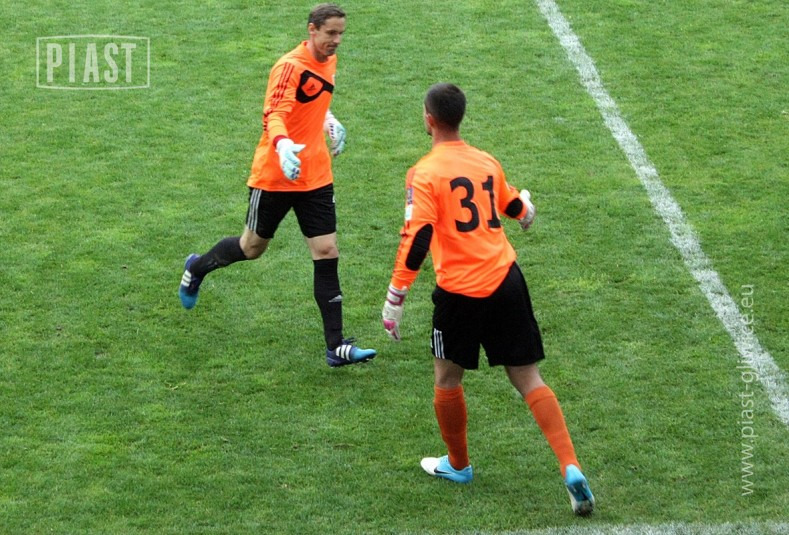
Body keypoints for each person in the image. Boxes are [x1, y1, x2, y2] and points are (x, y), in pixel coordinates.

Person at [380, 83, 594, 515]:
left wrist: (396, 296)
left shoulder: (424, 173)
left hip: (459, 292)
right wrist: (527, 211)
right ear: (460, 117)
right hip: (505, 280)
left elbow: (419, 235)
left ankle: (458, 464)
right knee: (528, 378)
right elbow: (514, 205)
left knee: (447, 379)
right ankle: (569, 464)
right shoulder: (485, 161)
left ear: (429, 120)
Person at [178, 3, 376, 368]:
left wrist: (329, 120)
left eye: (341, 34)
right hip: (276, 174)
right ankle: (198, 267)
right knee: (252, 247)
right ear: (312, 29)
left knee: (326, 250)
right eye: (331, 33)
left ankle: (336, 346)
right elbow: (275, 113)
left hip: (315, 175)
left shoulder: (328, 61)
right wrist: (283, 146)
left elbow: (313, 101)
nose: (337, 40)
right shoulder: (290, 66)